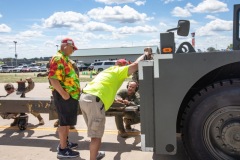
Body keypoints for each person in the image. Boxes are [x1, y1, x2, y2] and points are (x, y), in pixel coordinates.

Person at [79, 53, 146, 160]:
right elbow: (136, 64)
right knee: (96, 136)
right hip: (94, 100)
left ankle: (95, 154)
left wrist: (113, 99)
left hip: (84, 98)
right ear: (123, 66)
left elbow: (103, 87)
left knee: (94, 133)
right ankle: (93, 157)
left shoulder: (107, 71)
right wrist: (145, 54)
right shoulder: (119, 71)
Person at [48, 38, 80, 159]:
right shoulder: (58, 58)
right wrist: (63, 93)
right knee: (63, 122)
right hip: (64, 96)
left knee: (66, 122)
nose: (73, 51)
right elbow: (53, 78)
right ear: (66, 46)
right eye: (72, 48)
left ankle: (65, 143)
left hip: (69, 96)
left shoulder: (65, 59)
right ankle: (62, 149)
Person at [53, 59, 79, 130]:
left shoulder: (70, 63)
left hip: (69, 88)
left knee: (69, 107)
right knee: (62, 108)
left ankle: (70, 123)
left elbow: (76, 75)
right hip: (62, 88)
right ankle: (62, 121)